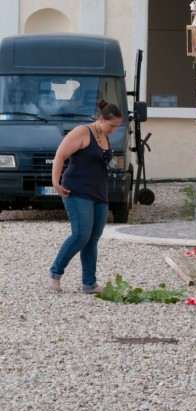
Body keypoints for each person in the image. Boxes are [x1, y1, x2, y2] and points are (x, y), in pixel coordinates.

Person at [48, 99, 123, 293]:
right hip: (76, 191)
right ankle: (55, 273)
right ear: (101, 119)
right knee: (81, 235)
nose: (114, 130)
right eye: (112, 125)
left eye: (117, 126)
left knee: (92, 239)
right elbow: (60, 155)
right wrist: (55, 183)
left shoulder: (105, 136)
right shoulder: (82, 132)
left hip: (99, 193)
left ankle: (89, 283)